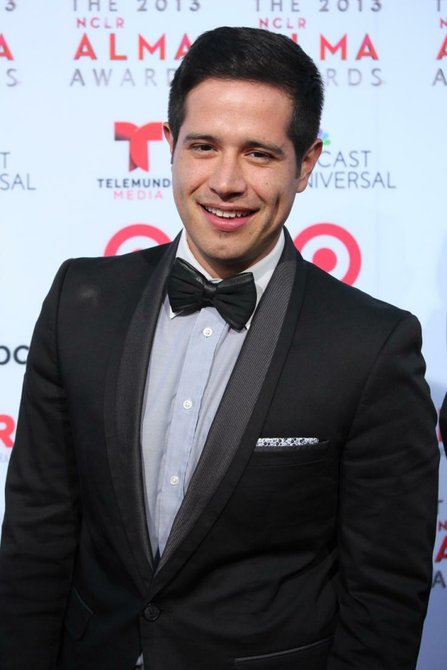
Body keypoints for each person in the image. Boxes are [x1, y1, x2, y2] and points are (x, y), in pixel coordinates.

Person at [0, 26, 439, 670]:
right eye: (204, 146)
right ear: (170, 144)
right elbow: (38, 534)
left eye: (259, 154)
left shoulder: (371, 345)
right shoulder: (79, 301)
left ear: (307, 163)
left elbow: (385, 595)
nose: (225, 182)